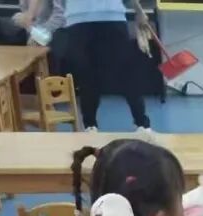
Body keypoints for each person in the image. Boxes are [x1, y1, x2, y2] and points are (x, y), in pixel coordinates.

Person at [62, 0, 150, 131]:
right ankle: (90, 125)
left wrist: (139, 11)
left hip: (108, 16)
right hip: (80, 17)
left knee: (127, 73)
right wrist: (139, 11)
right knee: (87, 75)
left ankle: (141, 123)